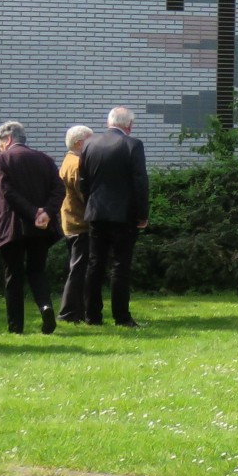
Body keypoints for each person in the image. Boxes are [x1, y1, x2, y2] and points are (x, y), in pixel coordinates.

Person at [0, 120, 64, 335]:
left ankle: (16, 327)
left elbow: (6, 191)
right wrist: (45, 212)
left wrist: (32, 213)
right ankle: (45, 306)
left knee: (14, 275)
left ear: (8, 139)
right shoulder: (45, 159)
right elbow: (59, 189)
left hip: (12, 227)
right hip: (40, 228)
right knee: (37, 271)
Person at [79, 106, 149, 328]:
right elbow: (140, 182)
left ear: (109, 122)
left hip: (97, 212)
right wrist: (142, 214)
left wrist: (90, 204)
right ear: (129, 125)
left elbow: (84, 181)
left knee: (94, 264)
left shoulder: (89, 143)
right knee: (120, 265)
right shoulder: (133, 145)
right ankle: (122, 316)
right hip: (124, 215)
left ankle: (92, 316)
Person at [56, 125, 94, 325]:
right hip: (79, 223)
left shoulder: (68, 160)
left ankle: (77, 311)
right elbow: (84, 194)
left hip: (71, 221)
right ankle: (69, 312)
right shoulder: (77, 164)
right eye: (90, 140)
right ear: (80, 143)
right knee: (79, 269)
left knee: (78, 267)